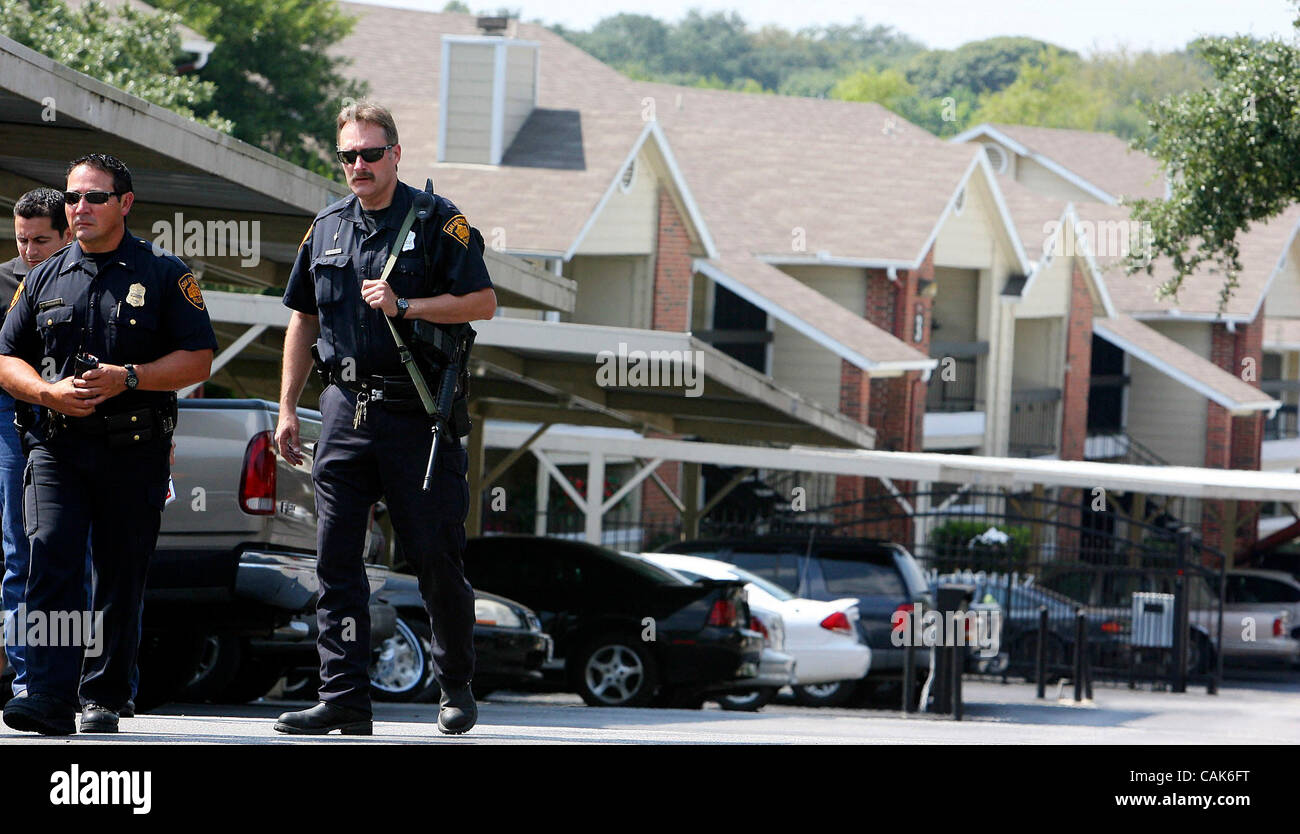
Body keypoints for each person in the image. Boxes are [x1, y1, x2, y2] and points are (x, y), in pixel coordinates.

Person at [274, 101, 495, 736]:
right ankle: (343, 697)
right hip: (343, 409)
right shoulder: (326, 228)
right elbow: (303, 317)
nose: (359, 166)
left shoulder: (436, 222)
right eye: (348, 156)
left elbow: (483, 301)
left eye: (371, 154)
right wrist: (289, 406)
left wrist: (410, 305)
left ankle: (456, 686)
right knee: (335, 560)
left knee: (434, 557)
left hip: (416, 411)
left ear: (396, 154)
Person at [0, 154, 216, 735]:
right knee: (49, 556)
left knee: (120, 573)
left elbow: (198, 357)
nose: (80, 208)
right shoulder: (43, 274)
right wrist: (46, 392)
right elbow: (5, 357)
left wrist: (131, 377)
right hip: (55, 446)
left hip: (133, 447)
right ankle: (46, 692)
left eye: (94, 197)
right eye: (73, 197)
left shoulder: (166, 272)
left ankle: (105, 695)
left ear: (125, 203)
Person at [0, 188, 72, 702]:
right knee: (20, 550)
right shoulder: (4, 280)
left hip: (84, 416)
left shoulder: (92, 277)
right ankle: (29, 681)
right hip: (12, 415)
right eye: (21, 240)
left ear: (68, 232)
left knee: (86, 549)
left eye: (41, 240)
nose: (29, 252)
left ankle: (100, 686)